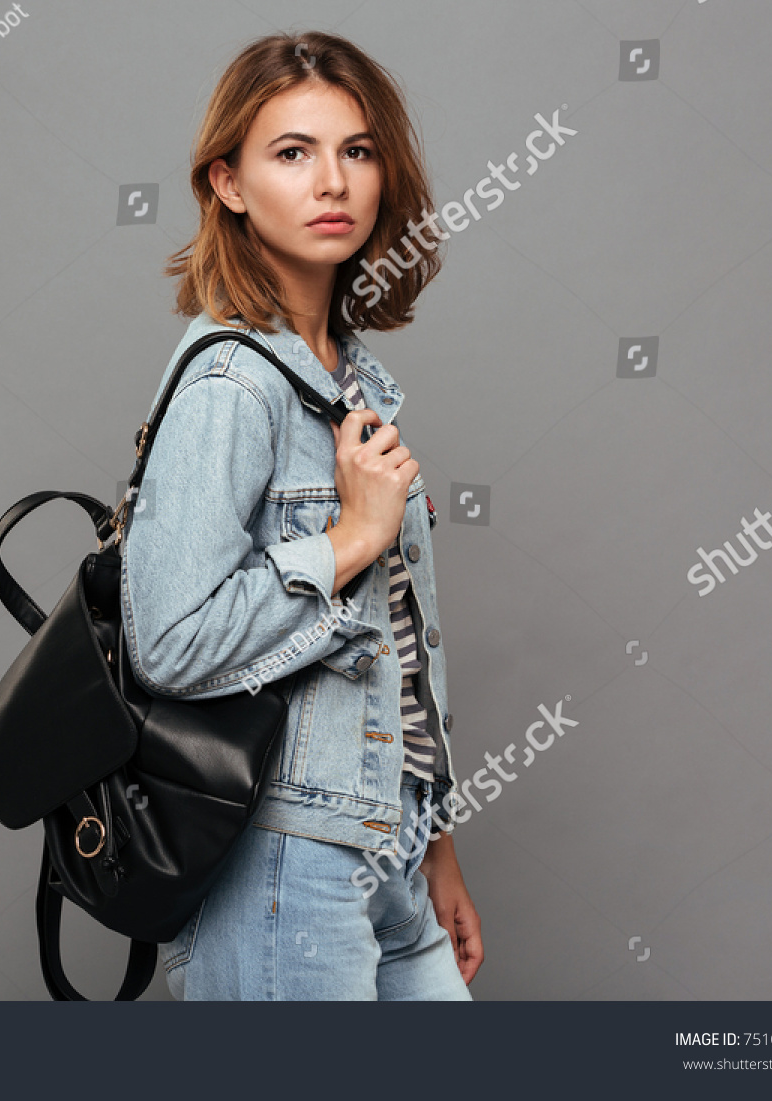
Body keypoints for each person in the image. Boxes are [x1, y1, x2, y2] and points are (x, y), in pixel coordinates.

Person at [119, 31, 483, 1000]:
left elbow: (396, 640)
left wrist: (434, 841)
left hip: (388, 848)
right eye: (293, 152)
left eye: (356, 151)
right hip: (283, 861)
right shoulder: (233, 382)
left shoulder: (354, 381)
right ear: (228, 183)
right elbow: (169, 638)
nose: (333, 181)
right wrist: (351, 538)